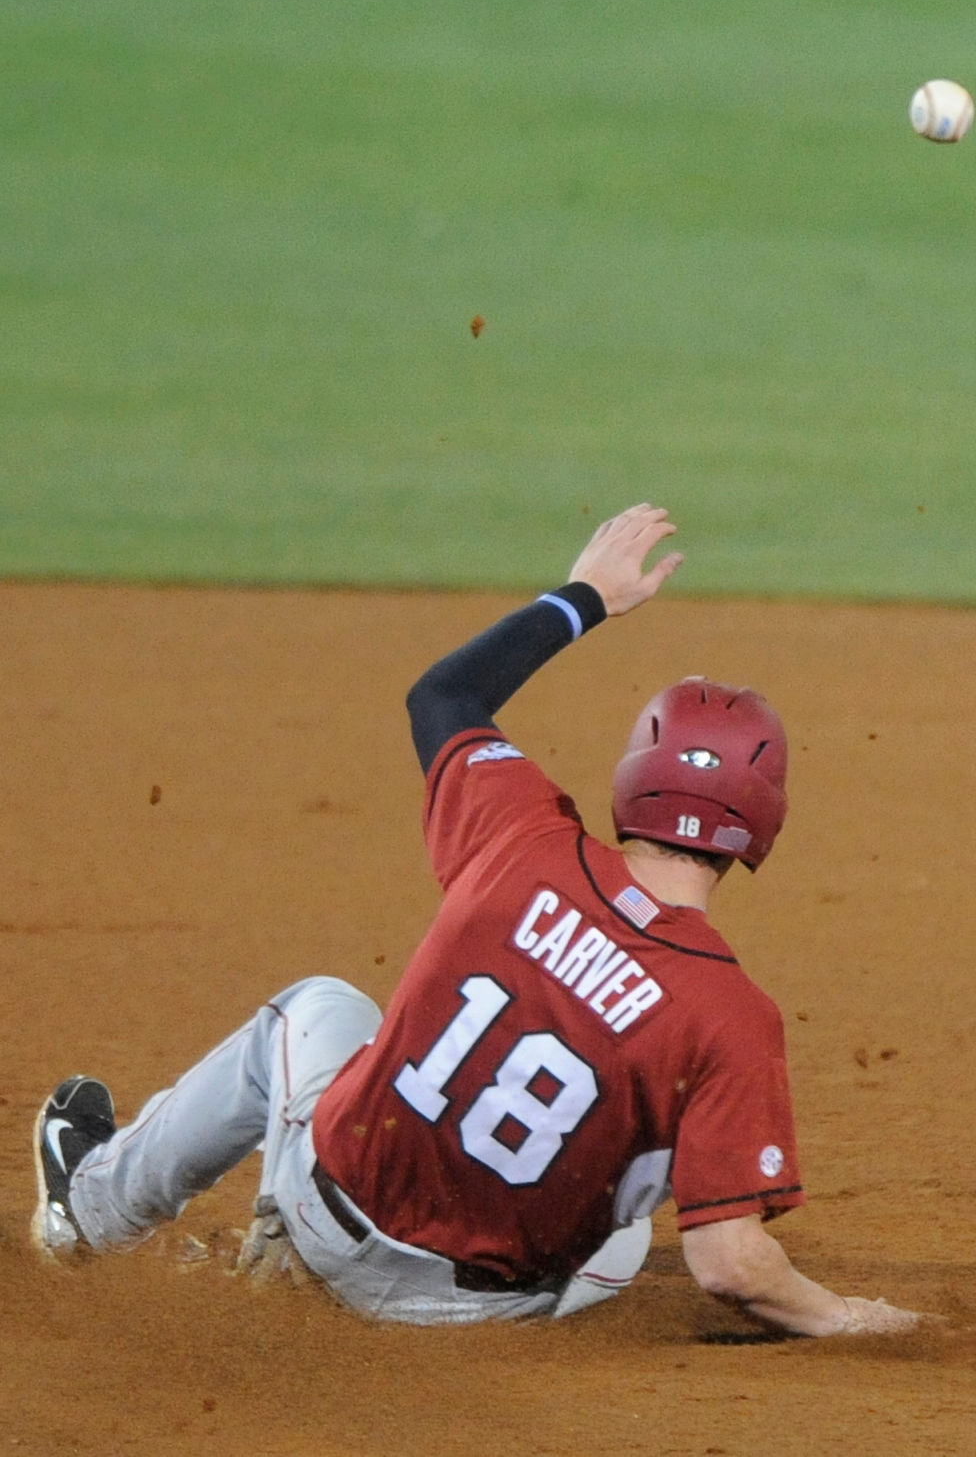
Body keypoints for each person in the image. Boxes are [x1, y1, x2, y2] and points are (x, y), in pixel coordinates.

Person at [30, 505, 925, 1334]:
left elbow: (444, 699)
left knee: (317, 1006)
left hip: (328, 1218)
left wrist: (587, 598)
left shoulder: (520, 834)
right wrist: (852, 1317)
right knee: (645, 1187)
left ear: (632, 783)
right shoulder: (733, 1016)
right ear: (758, 824)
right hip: (468, 1311)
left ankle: (91, 1214)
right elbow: (729, 1266)